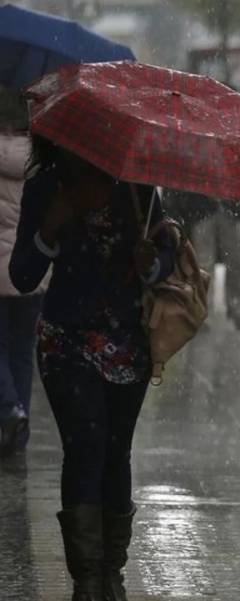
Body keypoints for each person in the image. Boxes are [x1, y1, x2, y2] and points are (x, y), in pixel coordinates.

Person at [10, 137, 176, 601]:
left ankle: (111, 575)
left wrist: (151, 264)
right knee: (85, 447)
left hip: (128, 347)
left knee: (116, 452)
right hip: (66, 344)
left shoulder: (138, 190)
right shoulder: (47, 187)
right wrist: (50, 230)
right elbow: (22, 274)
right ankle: (87, 579)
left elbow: (166, 257)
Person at [0, 95, 45, 458]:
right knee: (21, 350)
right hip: (29, 270)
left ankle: (9, 409)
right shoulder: (42, 158)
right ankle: (20, 425)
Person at [164, 189, 240, 331]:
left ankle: (234, 307)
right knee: (204, 264)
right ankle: (204, 311)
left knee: (234, 262)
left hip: (228, 209)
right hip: (203, 210)